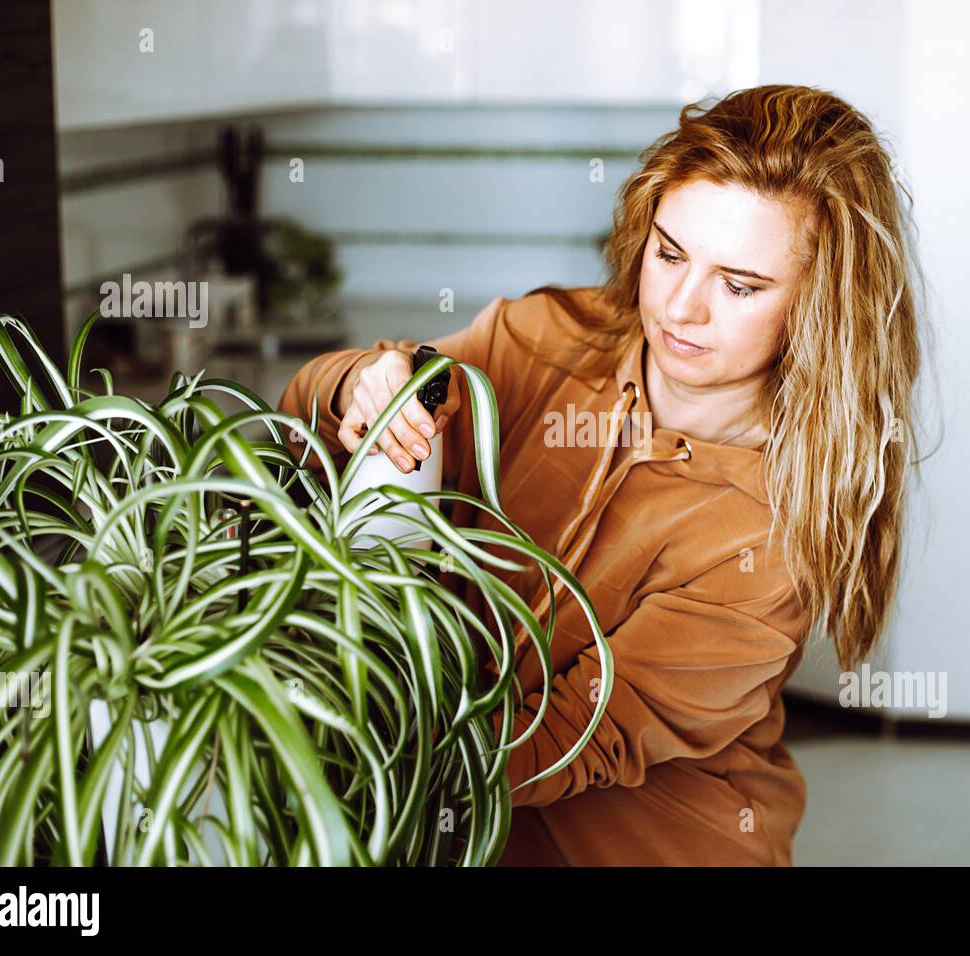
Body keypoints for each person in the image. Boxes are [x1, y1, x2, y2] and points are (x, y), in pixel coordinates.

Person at [277, 84, 931, 866]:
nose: (681, 309)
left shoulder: (774, 537)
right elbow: (308, 429)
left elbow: (563, 738)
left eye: (740, 285)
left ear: (821, 305)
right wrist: (360, 386)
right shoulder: (545, 339)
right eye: (669, 252)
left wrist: (303, 751)